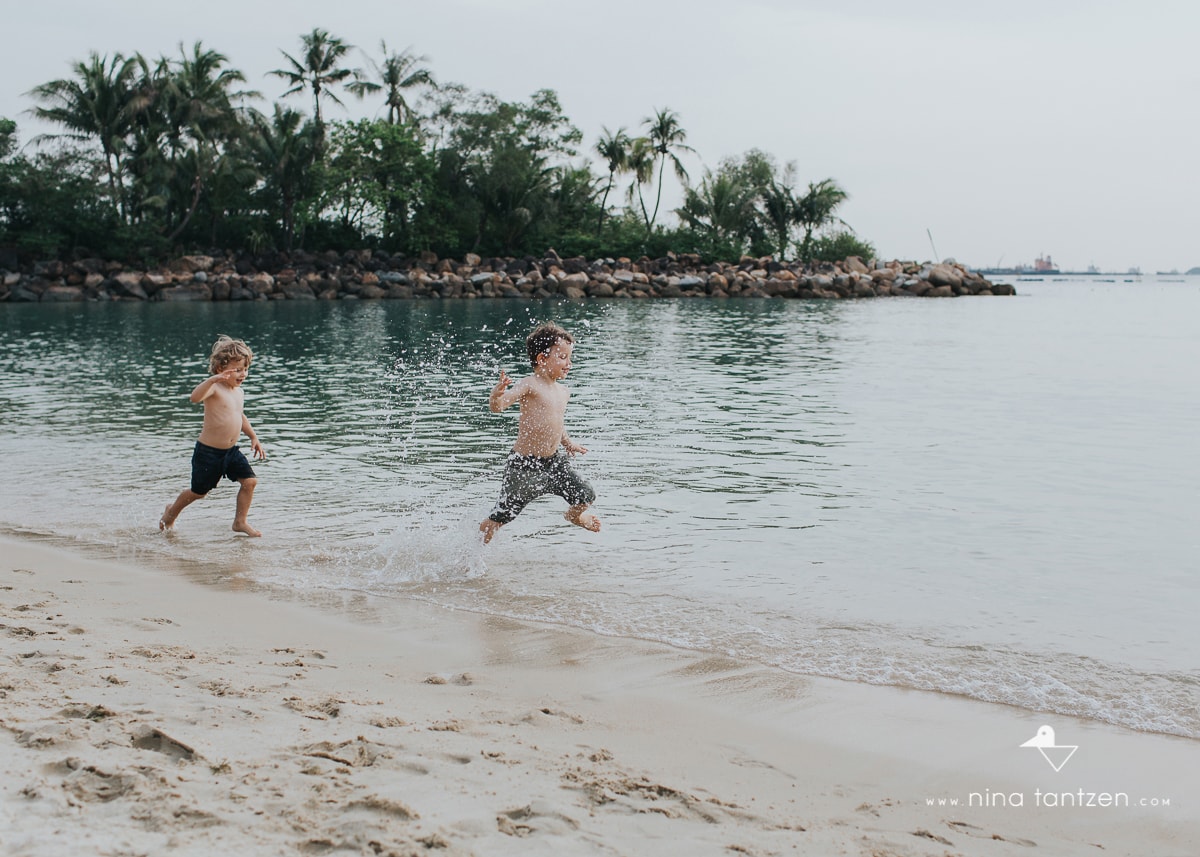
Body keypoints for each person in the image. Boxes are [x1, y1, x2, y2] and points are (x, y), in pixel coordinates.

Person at [479, 322, 600, 544]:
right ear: (542, 359)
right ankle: (471, 552)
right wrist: (496, 396)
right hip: (524, 466)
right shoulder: (529, 385)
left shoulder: (564, 392)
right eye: (562, 357)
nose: (568, 363)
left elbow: (556, 422)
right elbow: (499, 407)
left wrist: (568, 442)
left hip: (554, 463)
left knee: (585, 495)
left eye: (569, 357)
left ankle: (574, 517)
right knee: (503, 516)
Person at [160, 335, 266, 537]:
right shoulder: (214, 389)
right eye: (237, 369)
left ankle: (240, 522)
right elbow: (194, 398)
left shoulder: (238, 392)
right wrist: (212, 380)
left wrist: (253, 437)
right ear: (220, 369)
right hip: (208, 453)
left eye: (245, 369)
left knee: (250, 481)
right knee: (198, 492)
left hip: (231, 452)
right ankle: (170, 513)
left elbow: (239, 415)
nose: (243, 373)